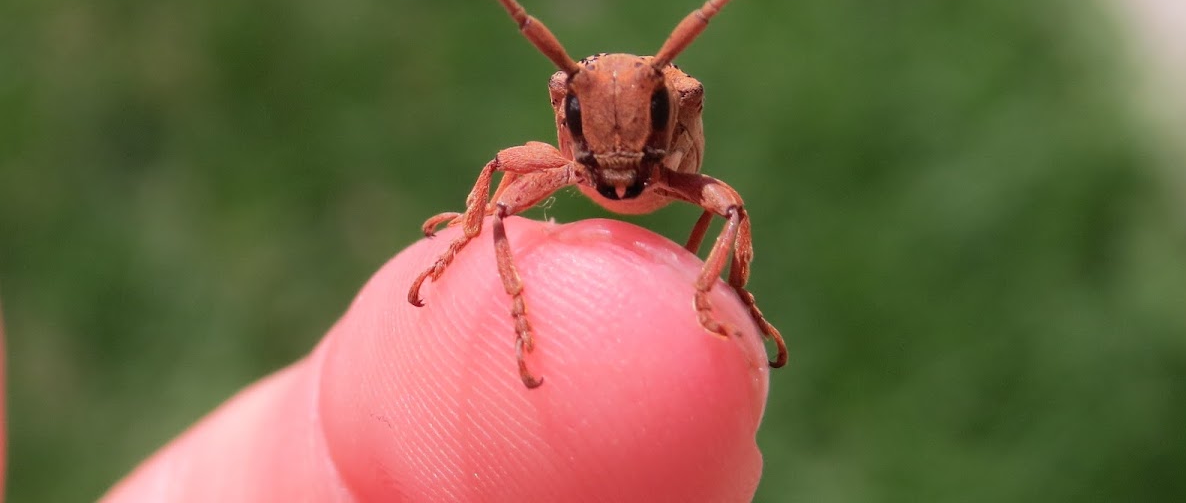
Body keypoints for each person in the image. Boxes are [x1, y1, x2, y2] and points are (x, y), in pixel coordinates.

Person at [4, 217, 771, 502]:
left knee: (724, 209)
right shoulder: (543, 159)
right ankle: (504, 289)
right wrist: (482, 241)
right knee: (500, 212)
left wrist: (715, 294)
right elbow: (507, 178)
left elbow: (724, 204)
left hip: (685, 246)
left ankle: (715, 299)